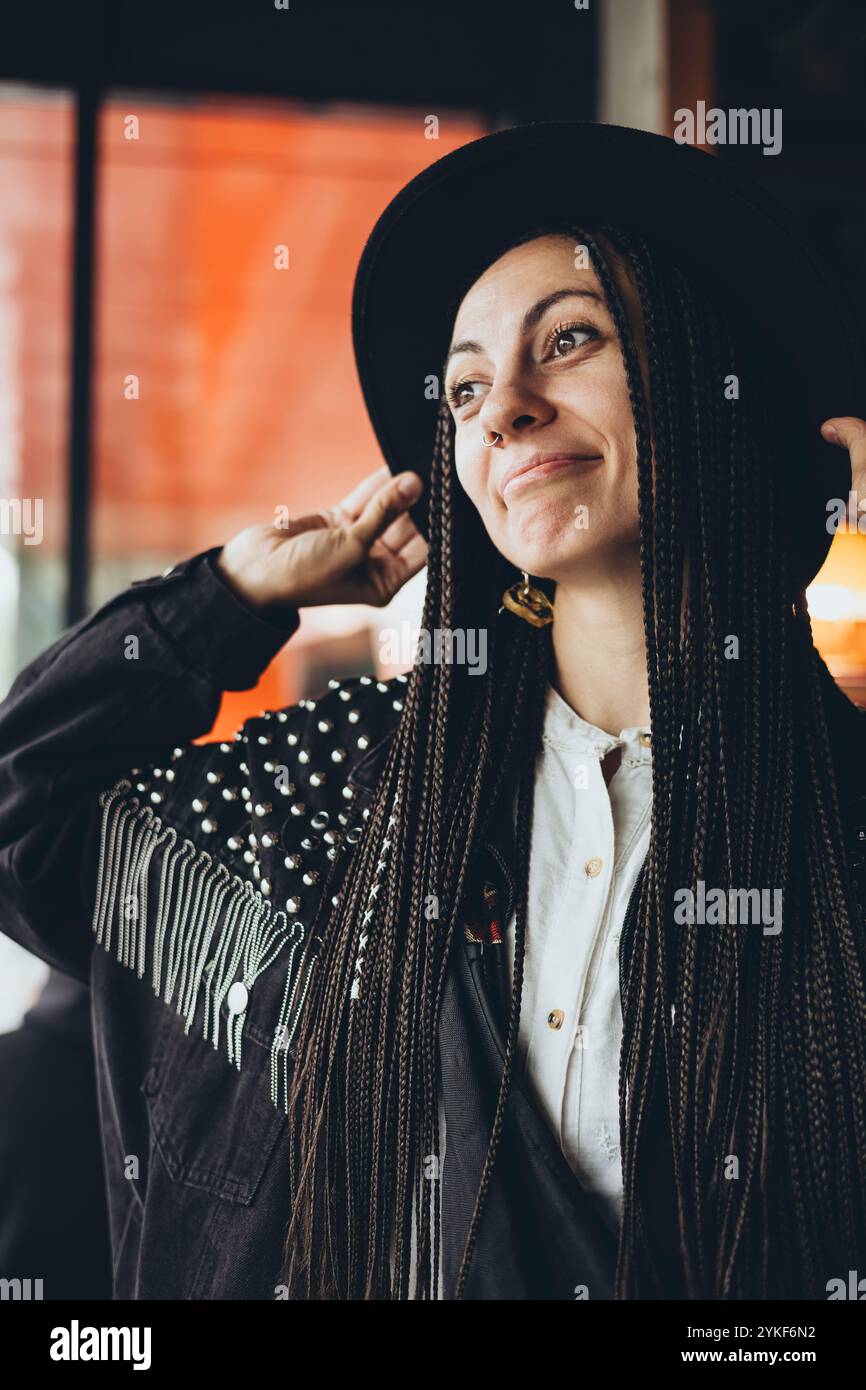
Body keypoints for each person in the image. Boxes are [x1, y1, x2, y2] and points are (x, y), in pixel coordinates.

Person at [1, 120, 865, 1302]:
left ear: (709, 374)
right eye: (463, 386)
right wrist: (229, 597)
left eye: (568, 340)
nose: (502, 407)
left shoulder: (838, 805)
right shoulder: (343, 790)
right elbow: (23, 822)